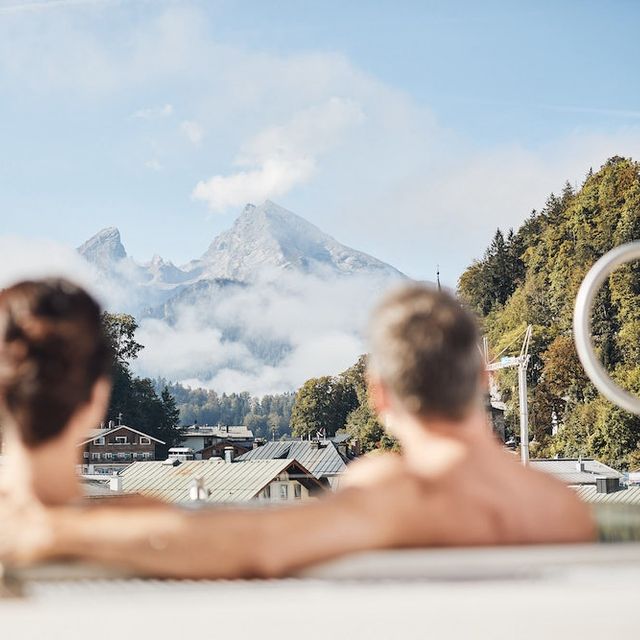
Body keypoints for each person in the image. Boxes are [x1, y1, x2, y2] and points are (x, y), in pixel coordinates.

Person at [0, 281, 595, 577]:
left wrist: (51, 529)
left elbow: (259, 546)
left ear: (378, 392)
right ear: (484, 380)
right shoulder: (564, 508)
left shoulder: (397, 489)